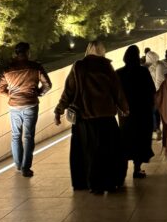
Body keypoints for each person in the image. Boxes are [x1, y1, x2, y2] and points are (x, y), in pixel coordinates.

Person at [54, 40, 128, 193]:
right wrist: (125, 108)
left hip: (85, 119)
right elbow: (117, 90)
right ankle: (109, 182)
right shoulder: (106, 66)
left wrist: (59, 110)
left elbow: (69, 91)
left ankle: (88, 183)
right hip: (106, 117)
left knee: (87, 153)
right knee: (109, 152)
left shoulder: (79, 66)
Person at [0, 42, 52, 177]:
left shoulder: (8, 70)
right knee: (28, 136)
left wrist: (11, 95)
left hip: (14, 106)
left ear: (16, 53)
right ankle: (26, 168)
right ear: (28, 52)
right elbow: (47, 84)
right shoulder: (36, 67)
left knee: (15, 135)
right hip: (30, 105)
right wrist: (38, 93)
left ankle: (18, 164)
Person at [116, 45, 156, 179]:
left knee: (126, 139)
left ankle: (122, 171)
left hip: (125, 114)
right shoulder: (143, 72)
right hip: (142, 113)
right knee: (140, 139)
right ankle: (137, 169)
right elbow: (151, 90)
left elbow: (115, 94)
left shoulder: (119, 73)